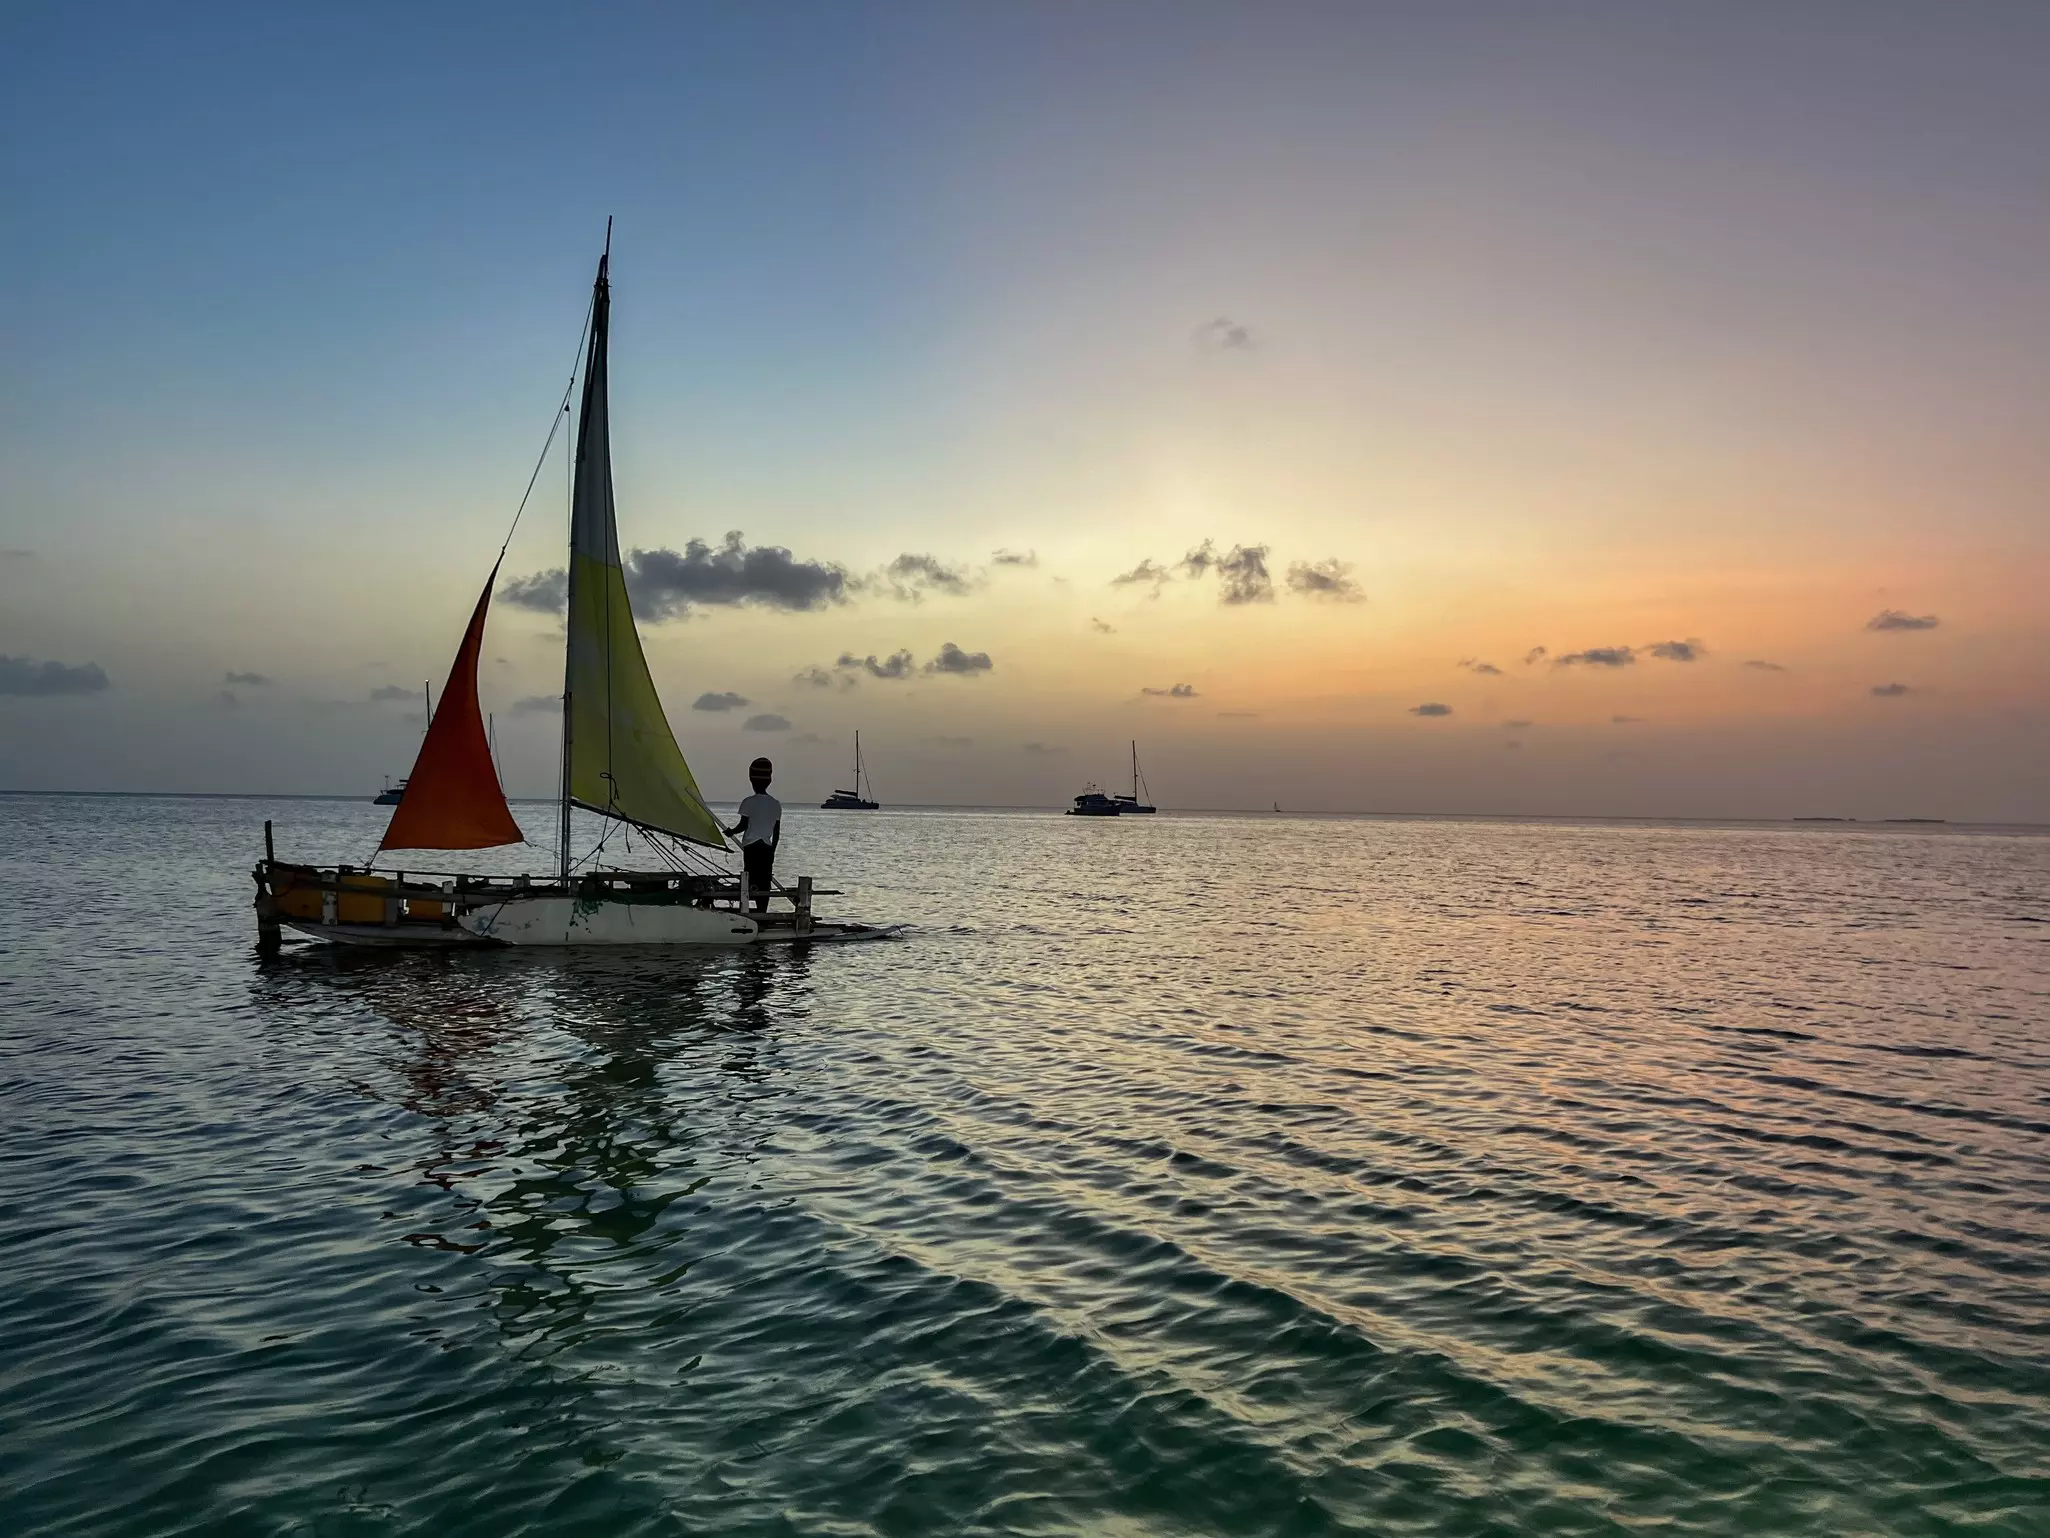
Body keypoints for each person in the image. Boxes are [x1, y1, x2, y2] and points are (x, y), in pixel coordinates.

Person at [725, 756, 782, 913]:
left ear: (752, 781)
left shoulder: (748, 802)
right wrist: (772, 851)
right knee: (764, 880)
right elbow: (777, 833)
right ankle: (762, 911)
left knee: (750, 879)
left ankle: (747, 911)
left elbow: (743, 825)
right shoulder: (775, 804)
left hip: (751, 846)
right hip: (767, 847)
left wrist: (731, 832)